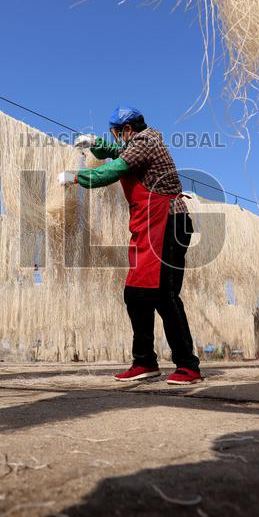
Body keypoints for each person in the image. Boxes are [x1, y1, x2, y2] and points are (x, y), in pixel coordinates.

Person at [58, 106, 202, 385]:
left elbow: (112, 170)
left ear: (126, 130)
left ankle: (188, 365)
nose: (115, 138)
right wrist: (96, 144)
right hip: (148, 227)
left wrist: (76, 177)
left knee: (166, 296)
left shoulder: (147, 141)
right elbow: (114, 153)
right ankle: (144, 361)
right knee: (136, 295)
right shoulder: (136, 142)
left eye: (115, 133)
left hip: (168, 224)